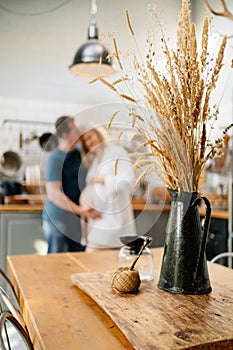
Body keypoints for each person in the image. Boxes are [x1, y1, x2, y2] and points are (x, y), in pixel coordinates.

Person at [42, 116, 100, 253]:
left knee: (77, 256)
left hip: (76, 218)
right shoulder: (55, 159)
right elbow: (54, 194)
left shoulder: (81, 153)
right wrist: (81, 210)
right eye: (75, 130)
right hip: (57, 218)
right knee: (56, 259)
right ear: (65, 135)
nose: (79, 132)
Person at [80, 125, 137, 251]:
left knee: (92, 260)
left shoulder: (117, 152)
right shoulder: (96, 160)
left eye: (90, 137)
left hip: (113, 220)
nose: (89, 143)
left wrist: (104, 180)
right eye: (85, 142)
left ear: (98, 133)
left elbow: (128, 181)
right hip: (96, 221)